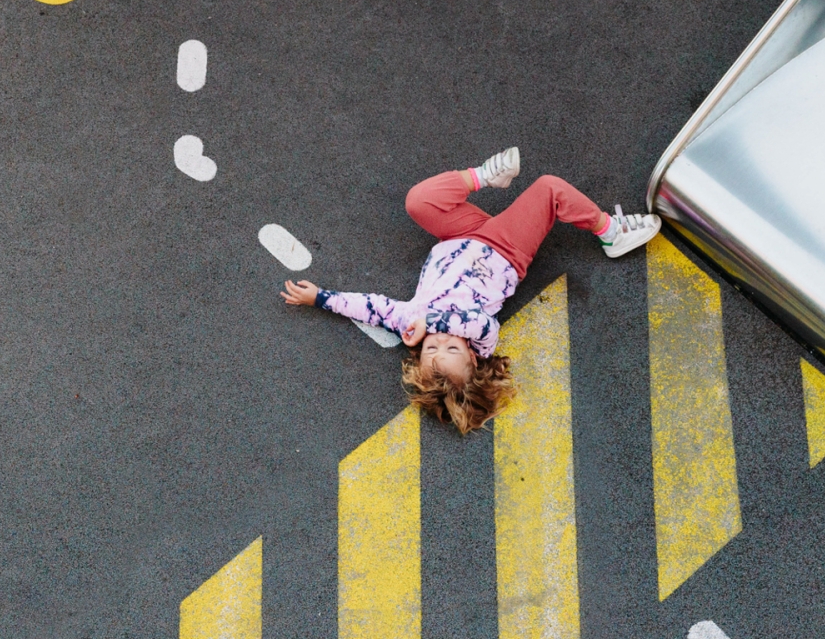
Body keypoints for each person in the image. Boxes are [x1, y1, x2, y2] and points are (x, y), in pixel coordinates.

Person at [281, 148, 662, 433]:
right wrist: (429, 322)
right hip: (504, 249)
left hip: (460, 237)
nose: (441, 340)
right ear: (473, 357)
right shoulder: (481, 336)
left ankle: (483, 176)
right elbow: (470, 322)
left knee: (418, 201)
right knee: (550, 189)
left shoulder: (407, 325)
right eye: (451, 348)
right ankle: (610, 232)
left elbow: (368, 306)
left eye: (433, 348)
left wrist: (320, 298)